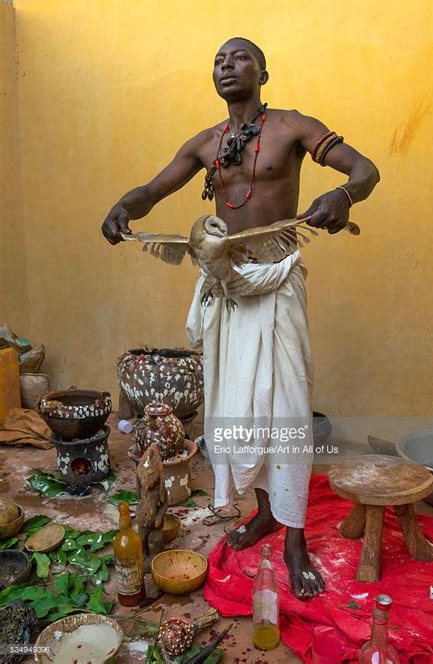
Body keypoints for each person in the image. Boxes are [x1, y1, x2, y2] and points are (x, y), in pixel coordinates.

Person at [102, 37, 380, 599]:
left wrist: (344, 196)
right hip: (226, 288)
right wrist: (123, 207)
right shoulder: (207, 143)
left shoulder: (294, 127)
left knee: (287, 408)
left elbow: (366, 169)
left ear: (263, 71)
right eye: (218, 60)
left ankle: (295, 536)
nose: (226, 66)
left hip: (276, 282)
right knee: (239, 405)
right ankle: (264, 513)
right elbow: (153, 190)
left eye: (239, 57)